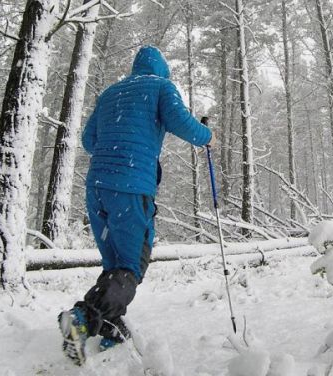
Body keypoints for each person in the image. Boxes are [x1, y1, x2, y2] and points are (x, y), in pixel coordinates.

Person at [58, 45, 213, 366]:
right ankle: (83, 317)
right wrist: (207, 135)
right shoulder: (160, 87)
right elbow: (181, 122)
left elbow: (89, 141)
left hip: (97, 188)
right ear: (163, 70)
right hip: (130, 188)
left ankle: (112, 325)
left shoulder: (112, 92)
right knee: (131, 264)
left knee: (115, 262)